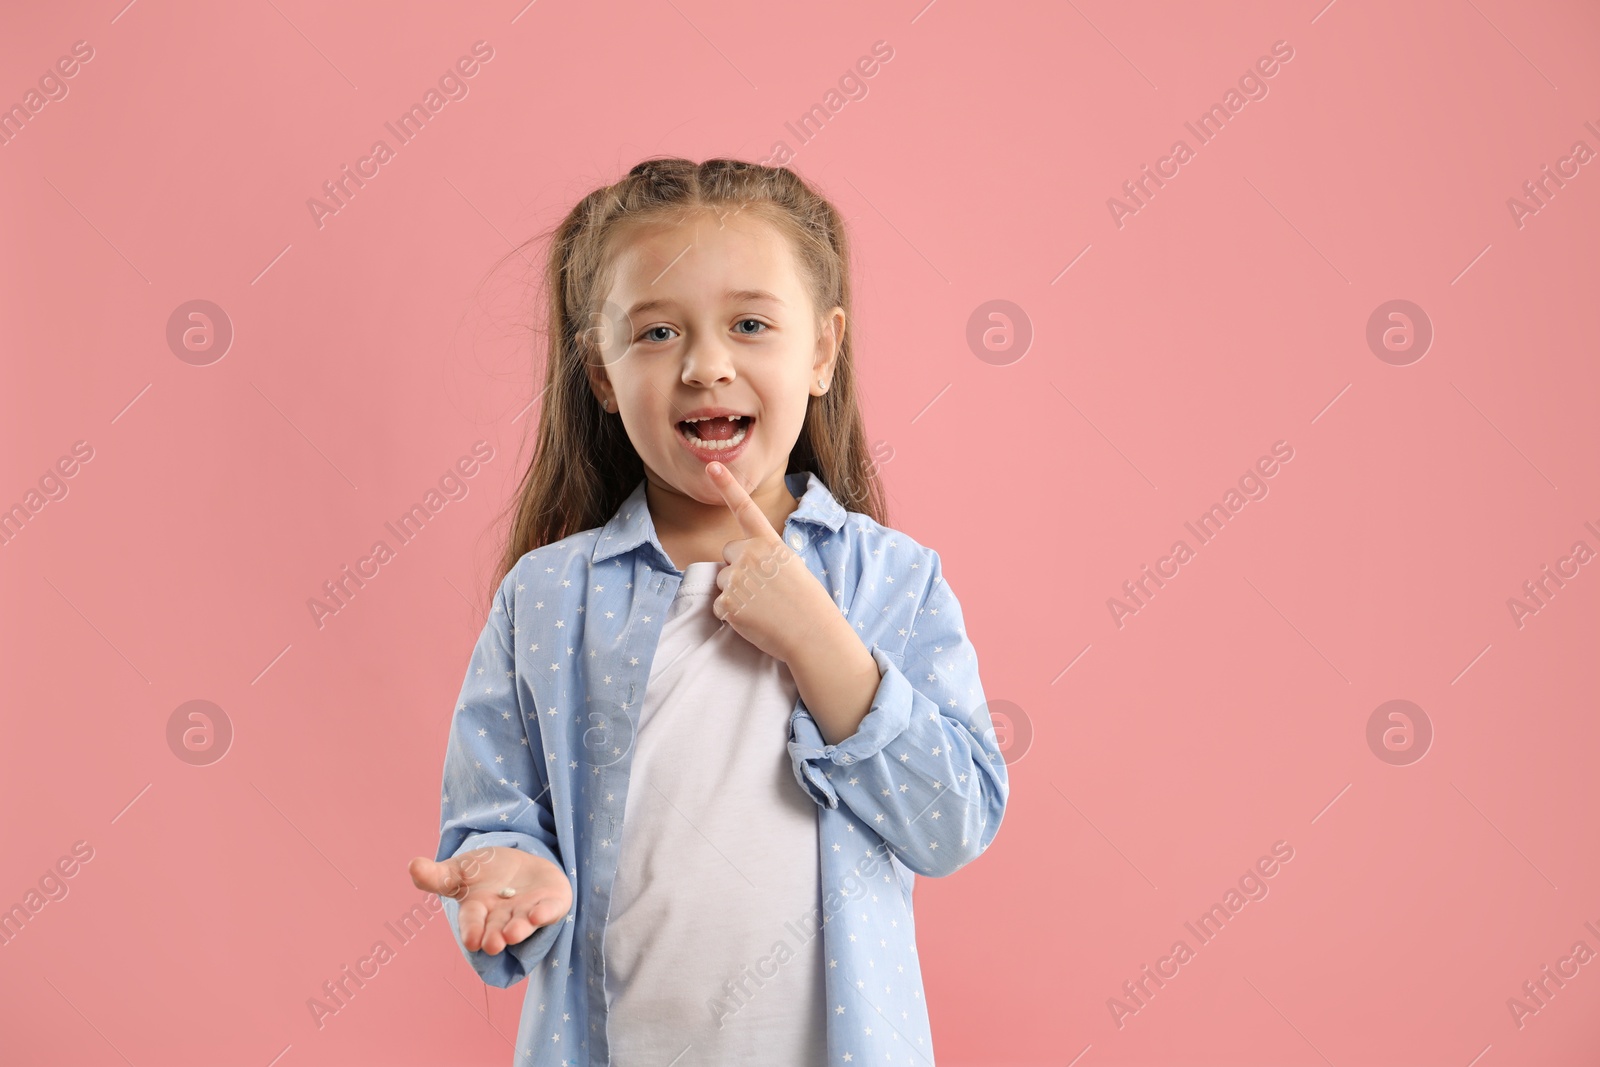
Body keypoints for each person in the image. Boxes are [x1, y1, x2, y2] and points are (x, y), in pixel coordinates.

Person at [407, 156, 1009, 1066]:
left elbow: (953, 820)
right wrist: (510, 870)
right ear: (600, 374)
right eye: (654, 332)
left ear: (820, 351)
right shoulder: (546, 597)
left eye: (751, 324)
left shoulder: (892, 581)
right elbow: (493, 814)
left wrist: (821, 644)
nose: (706, 365)